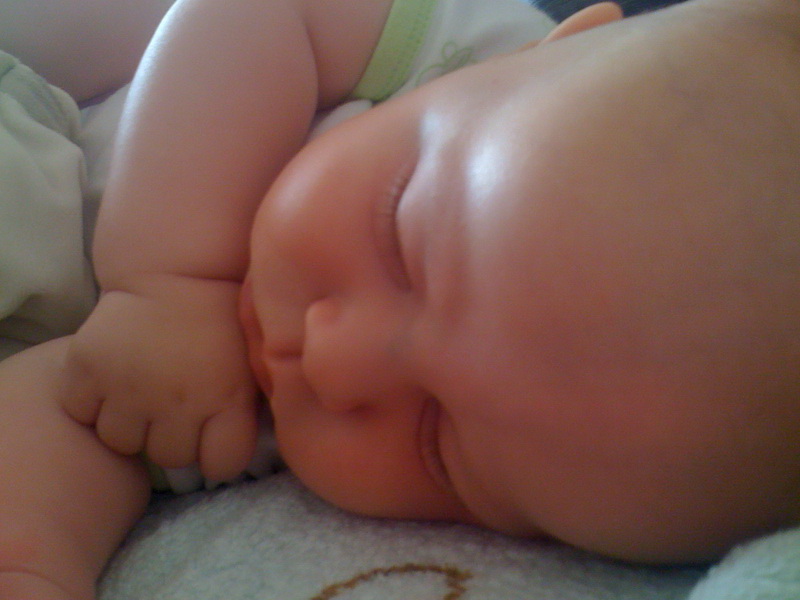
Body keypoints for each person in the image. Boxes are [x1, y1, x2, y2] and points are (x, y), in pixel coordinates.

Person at [1, 0, 800, 597]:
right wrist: (172, 281)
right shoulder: (457, 46)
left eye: (437, 446)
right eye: (400, 242)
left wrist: (31, 562)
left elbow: (79, 404)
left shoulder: (288, 435)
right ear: (549, 49)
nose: (333, 363)